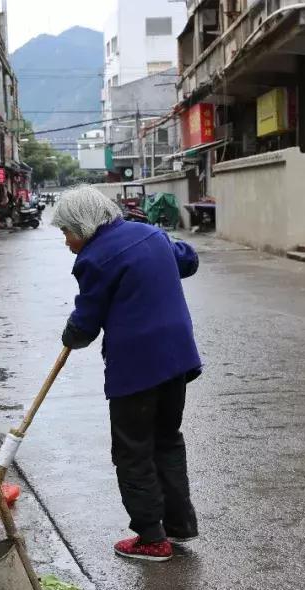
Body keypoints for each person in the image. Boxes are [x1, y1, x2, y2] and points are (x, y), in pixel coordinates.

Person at [52, 186, 201, 562]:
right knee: (166, 439)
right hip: (177, 359)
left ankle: (152, 538)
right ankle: (177, 525)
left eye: (67, 233)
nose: (68, 243)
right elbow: (188, 260)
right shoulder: (148, 233)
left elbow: (86, 324)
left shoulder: (95, 258)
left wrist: (70, 335)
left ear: (84, 226)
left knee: (132, 451)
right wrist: (159, 244)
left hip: (137, 367)